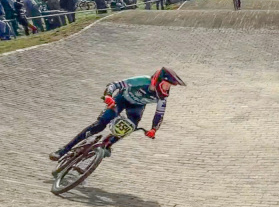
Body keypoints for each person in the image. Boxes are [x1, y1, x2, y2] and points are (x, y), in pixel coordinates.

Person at [49, 68, 186, 161]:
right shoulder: (142, 80)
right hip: (121, 100)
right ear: (158, 80)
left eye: (169, 87)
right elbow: (114, 85)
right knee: (100, 125)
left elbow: (160, 113)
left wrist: (153, 129)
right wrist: (108, 96)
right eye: (166, 85)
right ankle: (64, 150)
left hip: (136, 107)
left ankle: (107, 146)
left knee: (129, 127)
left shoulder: (163, 96)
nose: (167, 89)